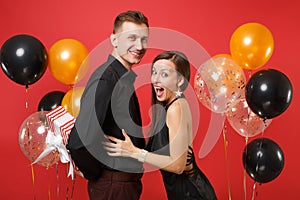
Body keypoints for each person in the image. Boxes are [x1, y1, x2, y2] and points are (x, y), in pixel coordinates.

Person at [103, 51, 217, 200]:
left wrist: (134, 152)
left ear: (180, 80)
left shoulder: (177, 108)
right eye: (154, 73)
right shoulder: (167, 108)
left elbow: (178, 165)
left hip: (192, 193)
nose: (156, 79)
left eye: (164, 74)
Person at [66, 10, 149, 200]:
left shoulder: (121, 78)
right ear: (114, 40)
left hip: (122, 185)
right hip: (114, 186)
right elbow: (78, 143)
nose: (139, 46)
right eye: (132, 38)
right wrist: (99, 175)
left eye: (144, 39)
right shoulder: (107, 79)